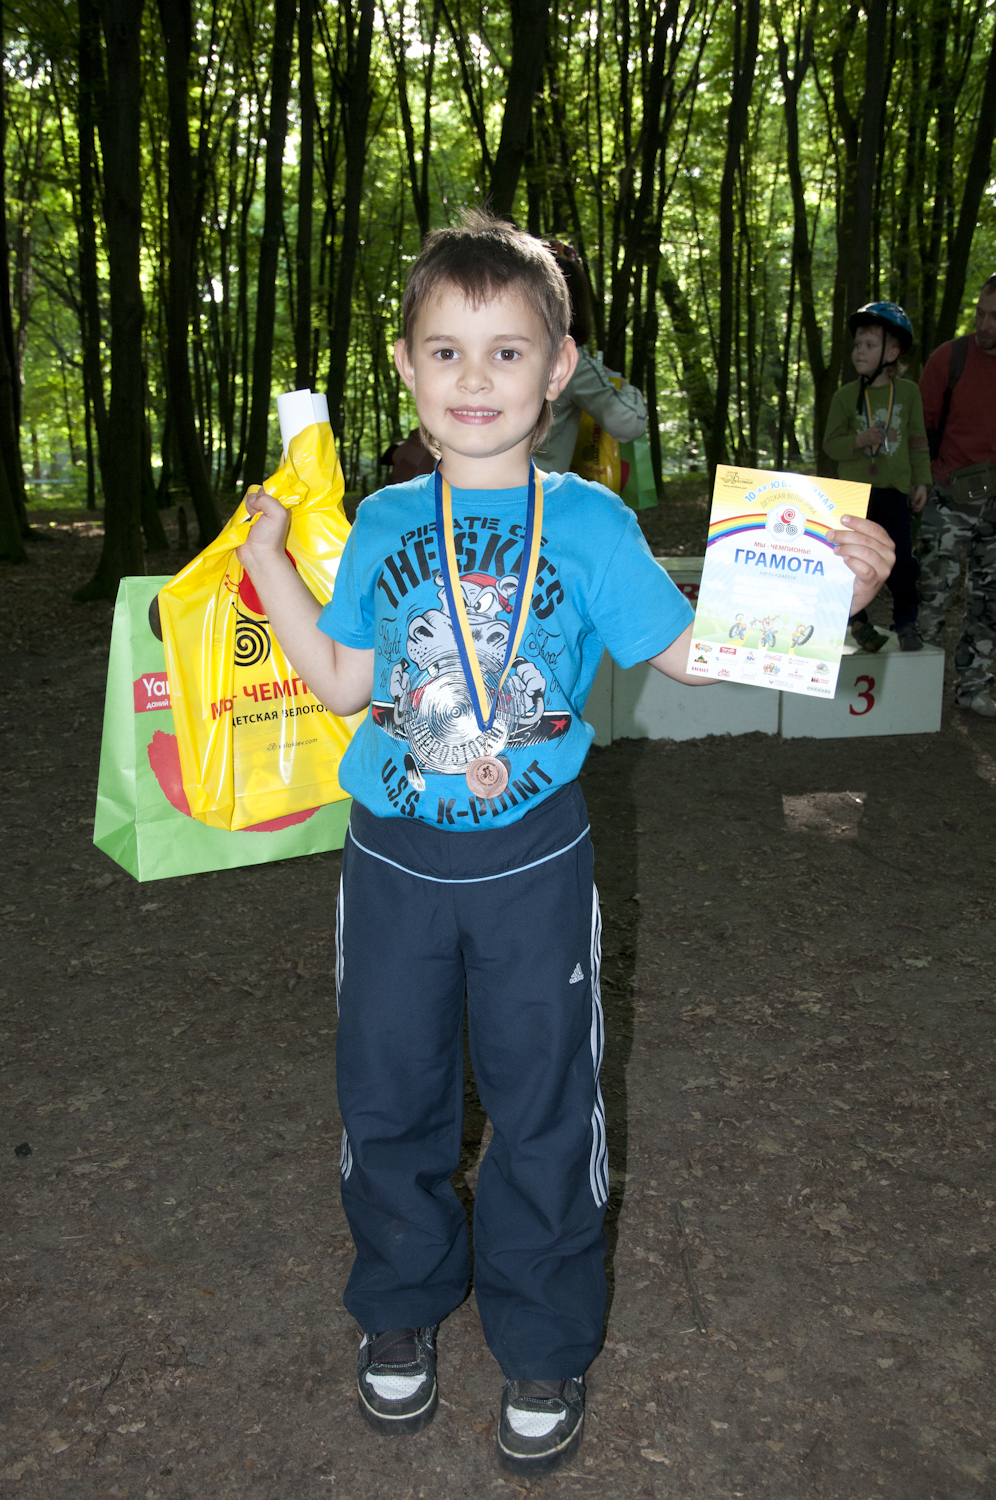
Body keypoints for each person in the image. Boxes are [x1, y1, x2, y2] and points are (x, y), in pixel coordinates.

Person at [236, 210, 894, 1478]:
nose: (474, 378)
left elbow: (690, 654)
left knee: (546, 1102)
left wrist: (833, 597)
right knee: (388, 1093)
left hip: (534, 865)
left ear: (559, 367)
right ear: (405, 366)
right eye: (445, 351)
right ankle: (400, 1304)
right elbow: (342, 682)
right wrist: (270, 566)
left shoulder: (590, 523)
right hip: (392, 864)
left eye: (506, 351)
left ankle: (542, 1339)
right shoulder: (383, 520)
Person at [822, 301, 932, 653]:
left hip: (893, 491)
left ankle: (906, 622)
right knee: (850, 561)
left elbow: (917, 440)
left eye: (869, 345)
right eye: (857, 344)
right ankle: (859, 623)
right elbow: (830, 446)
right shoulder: (845, 397)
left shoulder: (909, 393)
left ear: (892, 353)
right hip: (853, 495)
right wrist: (858, 441)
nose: (859, 351)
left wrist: (921, 481)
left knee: (901, 561)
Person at [916, 274, 996, 715]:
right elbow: (918, 428)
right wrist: (923, 479)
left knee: (990, 601)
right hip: (949, 495)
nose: (985, 325)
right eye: (981, 314)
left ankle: (974, 687)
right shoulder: (950, 358)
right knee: (933, 592)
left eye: (995, 318)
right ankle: (917, 690)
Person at [531, 241, 647, 475]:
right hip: (539, 492)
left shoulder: (505, 349)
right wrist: (626, 388)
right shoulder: (570, 362)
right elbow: (627, 423)